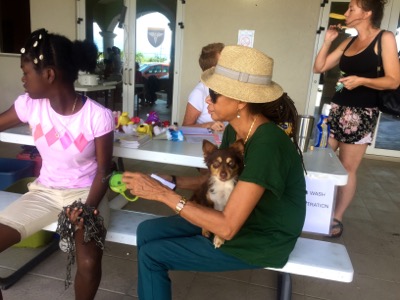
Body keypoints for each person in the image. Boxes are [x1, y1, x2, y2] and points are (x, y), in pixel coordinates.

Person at [122, 45, 307, 300]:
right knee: (147, 232)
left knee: (153, 254)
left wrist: (163, 194)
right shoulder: (235, 130)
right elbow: (218, 180)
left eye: (214, 94)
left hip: (261, 237)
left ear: (241, 100)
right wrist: (174, 181)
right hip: (238, 218)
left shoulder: (267, 144)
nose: (207, 100)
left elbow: (228, 227)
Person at [0, 28, 114, 300]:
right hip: (44, 193)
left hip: (86, 194)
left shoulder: (98, 116)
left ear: (49, 75)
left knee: (87, 262)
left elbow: (104, 170)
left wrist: (87, 210)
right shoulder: (30, 105)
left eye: (27, 73)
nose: (23, 79)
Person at [313, 0, 400, 237]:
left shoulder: (385, 38)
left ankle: (336, 216)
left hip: (361, 113)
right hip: (337, 108)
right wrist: (328, 41)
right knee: (322, 160)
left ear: (368, 12)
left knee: (347, 168)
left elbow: (393, 80)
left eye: (352, 8)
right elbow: (318, 67)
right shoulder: (349, 40)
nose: (347, 12)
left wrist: (362, 80)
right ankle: (317, 208)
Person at [182, 42, 226, 131]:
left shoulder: (230, 88)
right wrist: (208, 125)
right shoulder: (199, 93)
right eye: (224, 62)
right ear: (212, 69)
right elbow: (185, 128)